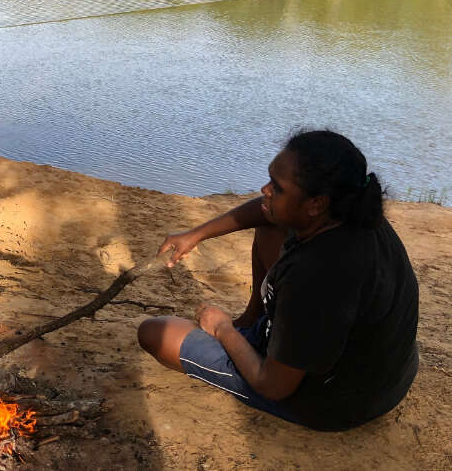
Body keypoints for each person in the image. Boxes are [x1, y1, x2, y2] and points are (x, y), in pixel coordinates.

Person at [138, 130, 419, 431]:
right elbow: (263, 210)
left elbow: (273, 386)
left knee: (156, 333)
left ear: (316, 203)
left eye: (278, 188)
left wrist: (222, 329)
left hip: (334, 402)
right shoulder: (353, 211)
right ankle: (252, 322)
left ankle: (245, 335)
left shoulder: (317, 278)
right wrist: (196, 235)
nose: (265, 189)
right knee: (269, 226)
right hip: (387, 377)